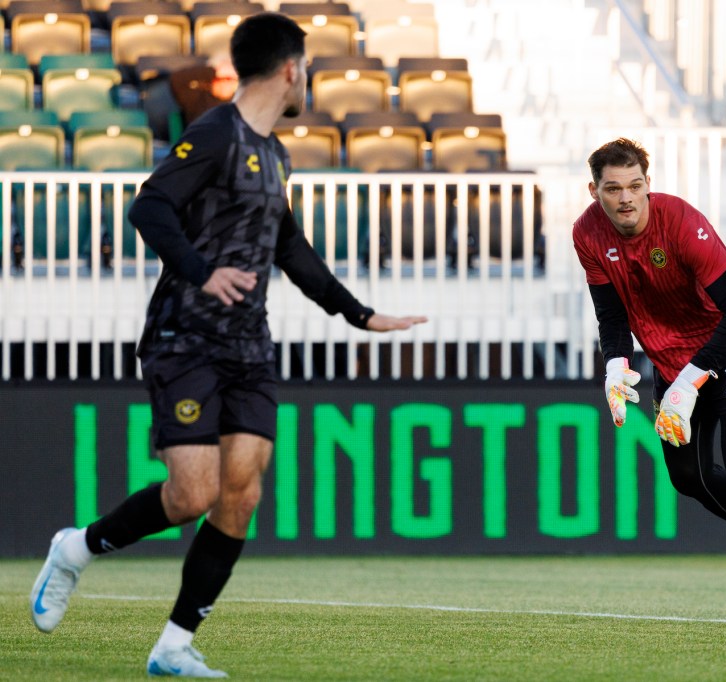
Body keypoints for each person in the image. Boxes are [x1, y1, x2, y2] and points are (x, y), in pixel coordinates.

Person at [29, 12, 427, 677]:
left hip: (248, 347)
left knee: (240, 495)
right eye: (307, 69)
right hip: (185, 340)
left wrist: (358, 314)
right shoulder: (216, 134)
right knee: (190, 497)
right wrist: (200, 269)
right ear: (292, 69)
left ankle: (174, 646)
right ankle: (76, 549)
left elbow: (290, 249)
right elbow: (149, 206)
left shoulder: (275, 153)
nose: (309, 81)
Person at [572, 138, 726, 629]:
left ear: (649, 183)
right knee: (689, 478)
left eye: (635, 186)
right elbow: (611, 312)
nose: (626, 199)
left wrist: (689, 382)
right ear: (594, 190)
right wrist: (616, 366)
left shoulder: (682, 224)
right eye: (613, 188)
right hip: (672, 357)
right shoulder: (586, 232)